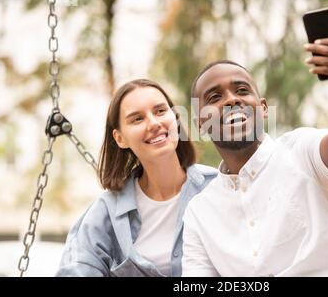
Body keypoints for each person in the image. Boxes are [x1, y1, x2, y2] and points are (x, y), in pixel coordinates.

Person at [182, 23, 328, 276]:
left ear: (262, 108)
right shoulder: (200, 212)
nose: (231, 99)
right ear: (201, 122)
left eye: (241, 90)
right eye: (215, 97)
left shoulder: (301, 151)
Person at [56, 79, 217, 277]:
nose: (154, 123)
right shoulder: (104, 214)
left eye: (160, 111)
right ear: (120, 138)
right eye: (137, 119)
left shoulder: (217, 189)